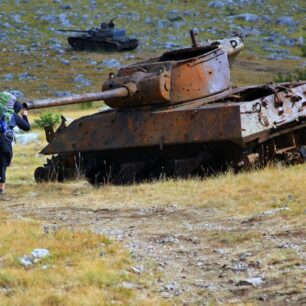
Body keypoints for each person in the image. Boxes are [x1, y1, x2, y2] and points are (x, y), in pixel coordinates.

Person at [0, 92, 30, 200]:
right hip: (4, 142)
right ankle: (1, 192)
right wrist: (24, 115)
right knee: (2, 166)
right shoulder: (12, 115)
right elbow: (27, 128)